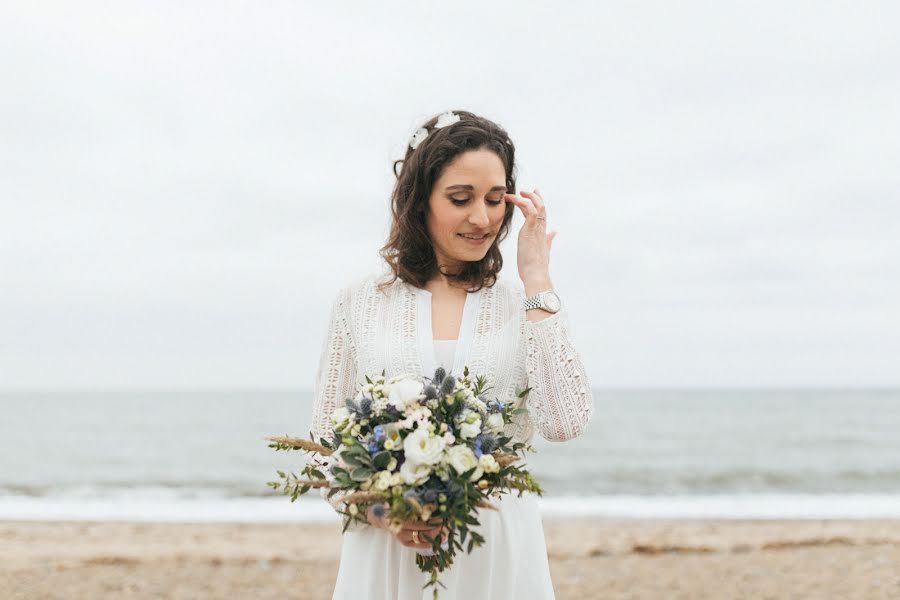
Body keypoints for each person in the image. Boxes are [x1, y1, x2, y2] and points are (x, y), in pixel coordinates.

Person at [310, 109, 594, 599]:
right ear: (420, 201)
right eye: (460, 199)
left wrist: (537, 280)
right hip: (387, 555)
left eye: (494, 199)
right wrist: (381, 512)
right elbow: (324, 451)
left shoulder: (521, 303)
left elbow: (564, 422)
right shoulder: (359, 301)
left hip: (498, 549)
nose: (481, 218)